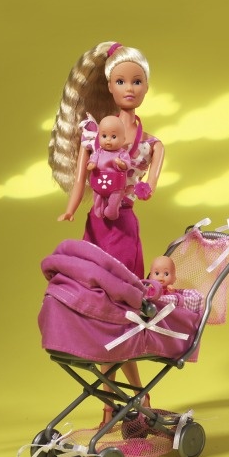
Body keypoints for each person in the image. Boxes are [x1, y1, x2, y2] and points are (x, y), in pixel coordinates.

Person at [48, 41, 165, 422]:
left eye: (137, 81)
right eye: (121, 81)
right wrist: (71, 208)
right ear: (109, 86)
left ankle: (123, 401)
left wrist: (148, 186)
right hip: (97, 226)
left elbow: (153, 174)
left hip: (125, 226)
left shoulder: (150, 143)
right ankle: (124, 400)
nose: (129, 88)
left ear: (146, 87)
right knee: (102, 312)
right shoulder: (96, 134)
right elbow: (80, 179)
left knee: (125, 313)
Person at [86, 115, 132, 220]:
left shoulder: (122, 153)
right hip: (98, 181)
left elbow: (126, 165)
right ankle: (99, 210)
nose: (108, 140)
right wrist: (91, 164)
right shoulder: (99, 152)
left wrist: (121, 163)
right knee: (97, 197)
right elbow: (93, 159)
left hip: (116, 185)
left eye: (114, 137)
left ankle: (111, 211)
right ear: (98, 136)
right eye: (104, 136)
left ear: (123, 139)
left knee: (115, 199)